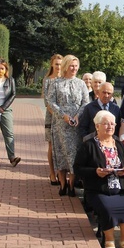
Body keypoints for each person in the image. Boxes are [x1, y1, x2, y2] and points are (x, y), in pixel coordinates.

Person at [74, 111, 124, 248]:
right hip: (98, 189)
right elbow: (77, 169)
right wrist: (95, 172)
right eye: (106, 123)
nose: (110, 126)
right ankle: (109, 240)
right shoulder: (88, 146)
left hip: (120, 187)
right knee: (107, 209)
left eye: (112, 123)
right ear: (97, 126)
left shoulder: (120, 145)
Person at [47, 54, 91, 196]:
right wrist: (63, 115)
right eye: (71, 66)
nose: (74, 68)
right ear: (66, 66)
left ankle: (72, 185)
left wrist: (78, 116)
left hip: (75, 125)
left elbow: (85, 102)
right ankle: (62, 183)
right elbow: (50, 102)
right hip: (60, 123)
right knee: (60, 154)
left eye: (76, 66)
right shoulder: (56, 83)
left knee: (73, 155)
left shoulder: (81, 83)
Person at [0, 59, 20, 167]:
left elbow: (13, 94)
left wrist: (3, 107)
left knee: (8, 133)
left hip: (6, 109)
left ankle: (12, 157)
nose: (0, 70)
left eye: (2, 68)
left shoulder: (10, 80)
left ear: (6, 69)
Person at [43, 54, 62, 185]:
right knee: (52, 145)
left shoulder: (66, 79)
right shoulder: (47, 80)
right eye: (56, 64)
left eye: (60, 64)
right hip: (52, 116)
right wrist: (57, 115)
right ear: (52, 65)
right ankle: (52, 172)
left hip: (64, 116)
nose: (58, 67)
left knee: (62, 146)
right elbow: (47, 102)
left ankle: (62, 174)